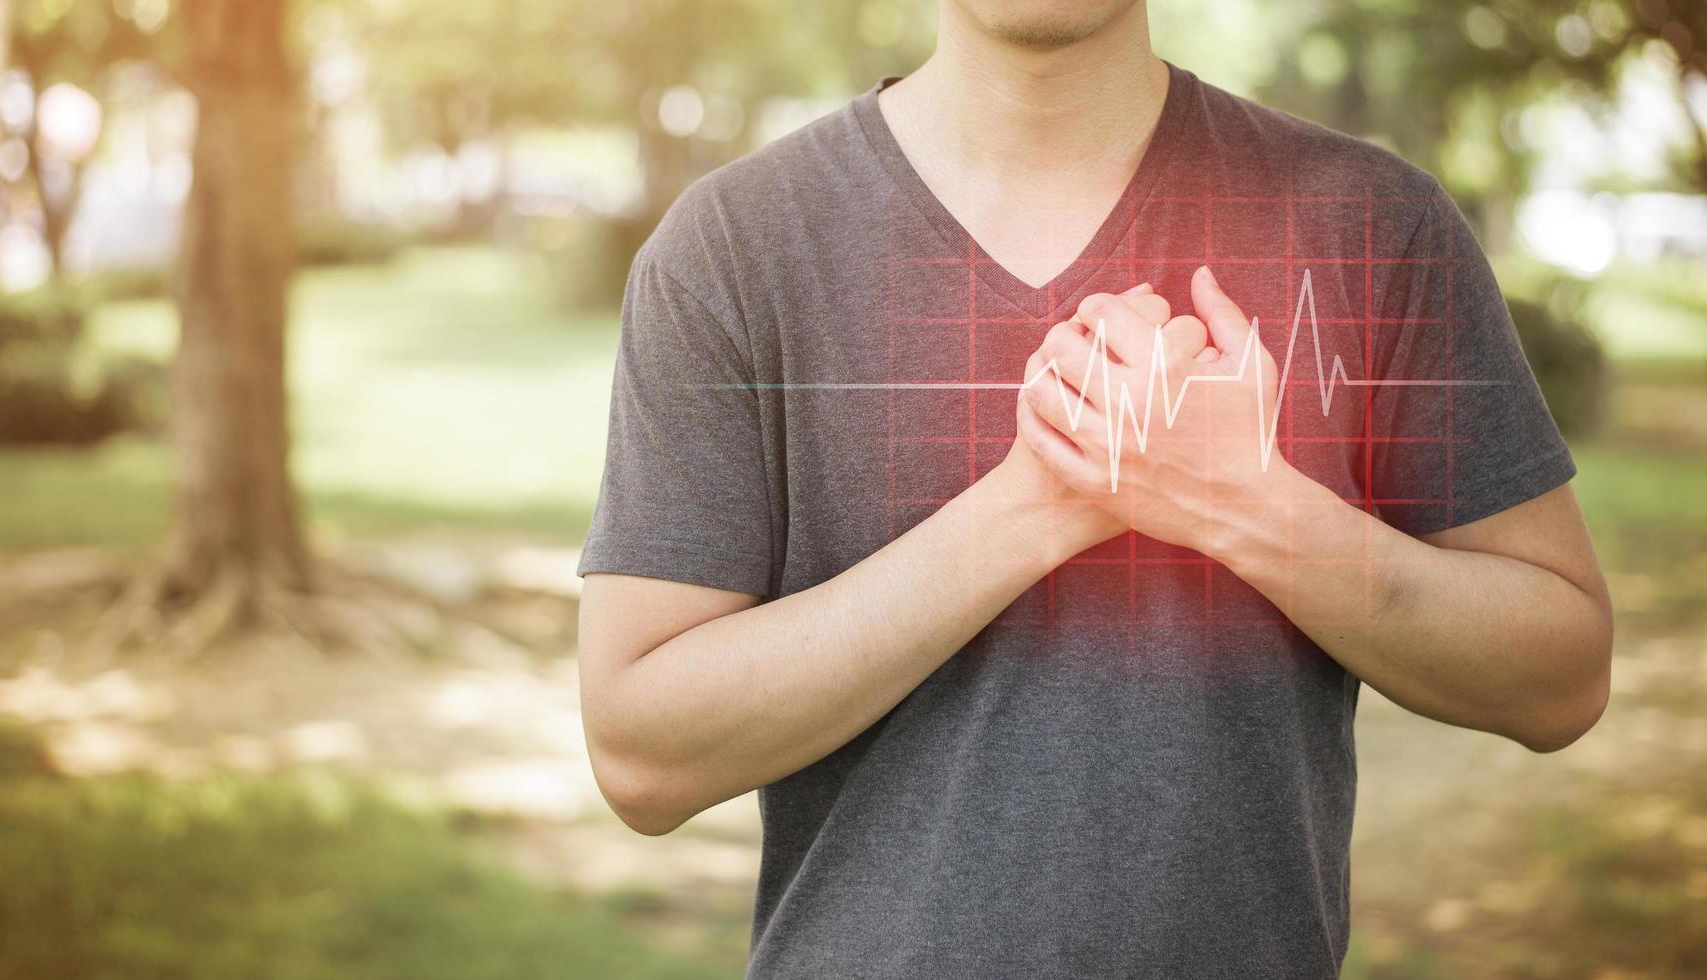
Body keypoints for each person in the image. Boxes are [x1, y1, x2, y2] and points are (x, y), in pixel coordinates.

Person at [574, 1, 1614, 976]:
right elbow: (642, 752)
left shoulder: (1370, 225)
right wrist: (1042, 498)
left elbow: (1556, 674)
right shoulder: (731, 249)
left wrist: (1247, 503)